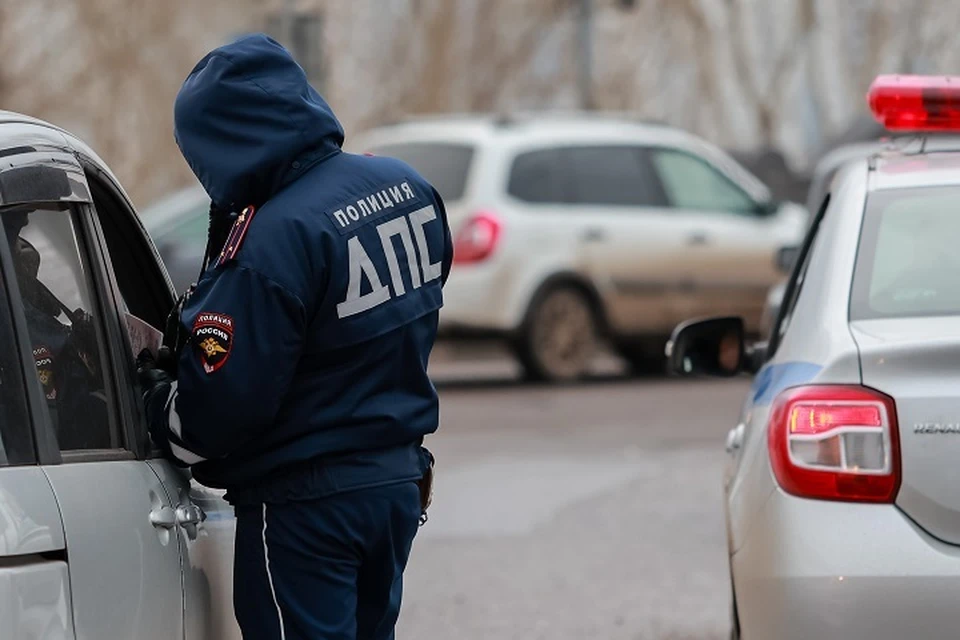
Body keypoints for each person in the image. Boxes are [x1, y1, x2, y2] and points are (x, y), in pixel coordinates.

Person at [137, 33, 452, 640]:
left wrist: (157, 402)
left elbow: (219, 414)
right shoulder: (407, 188)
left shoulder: (268, 244)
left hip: (306, 511)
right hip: (395, 488)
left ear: (218, 142)